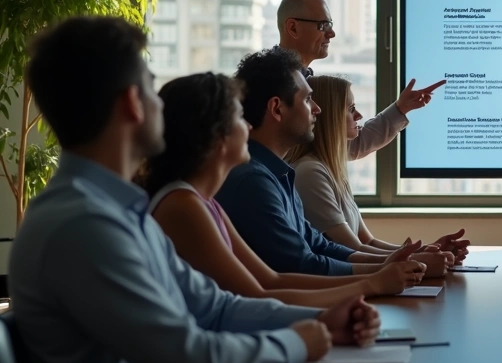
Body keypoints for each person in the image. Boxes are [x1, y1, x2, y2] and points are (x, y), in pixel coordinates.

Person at [9, 16, 381, 363]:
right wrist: (299, 342)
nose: (162, 105)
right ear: (132, 104)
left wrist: (321, 321)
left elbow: (217, 309)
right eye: (152, 89)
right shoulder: (84, 225)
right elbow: (194, 361)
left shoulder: (119, 211)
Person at [142, 72, 429, 307]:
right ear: (216, 135)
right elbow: (260, 292)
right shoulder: (218, 193)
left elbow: (277, 276)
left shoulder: (214, 199)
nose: (249, 126)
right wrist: (371, 283)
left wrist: (382, 271)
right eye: (240, 118)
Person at [215, 48, 457, 276]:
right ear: (277, 109)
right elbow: (302, 266)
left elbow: (321, 246)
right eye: (307, 100)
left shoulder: (282, 175)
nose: (317, 109)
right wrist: (397, 269)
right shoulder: (257, 181)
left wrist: (405, 261)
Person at [287, 74, 470, 263]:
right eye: (351, 109)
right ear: (330, 117)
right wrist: (420, 259)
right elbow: (354, 249)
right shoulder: (310, 173)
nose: (359, 116)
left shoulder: (330, 168)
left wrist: (430, 249)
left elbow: (368, 242)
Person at [276, 0, 445, 162]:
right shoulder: (272, 85)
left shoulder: (301, 80)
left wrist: (401, 108)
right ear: (293, 28)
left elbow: (342, 146)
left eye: (330, 25)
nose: (331, 33)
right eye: (323, 25)